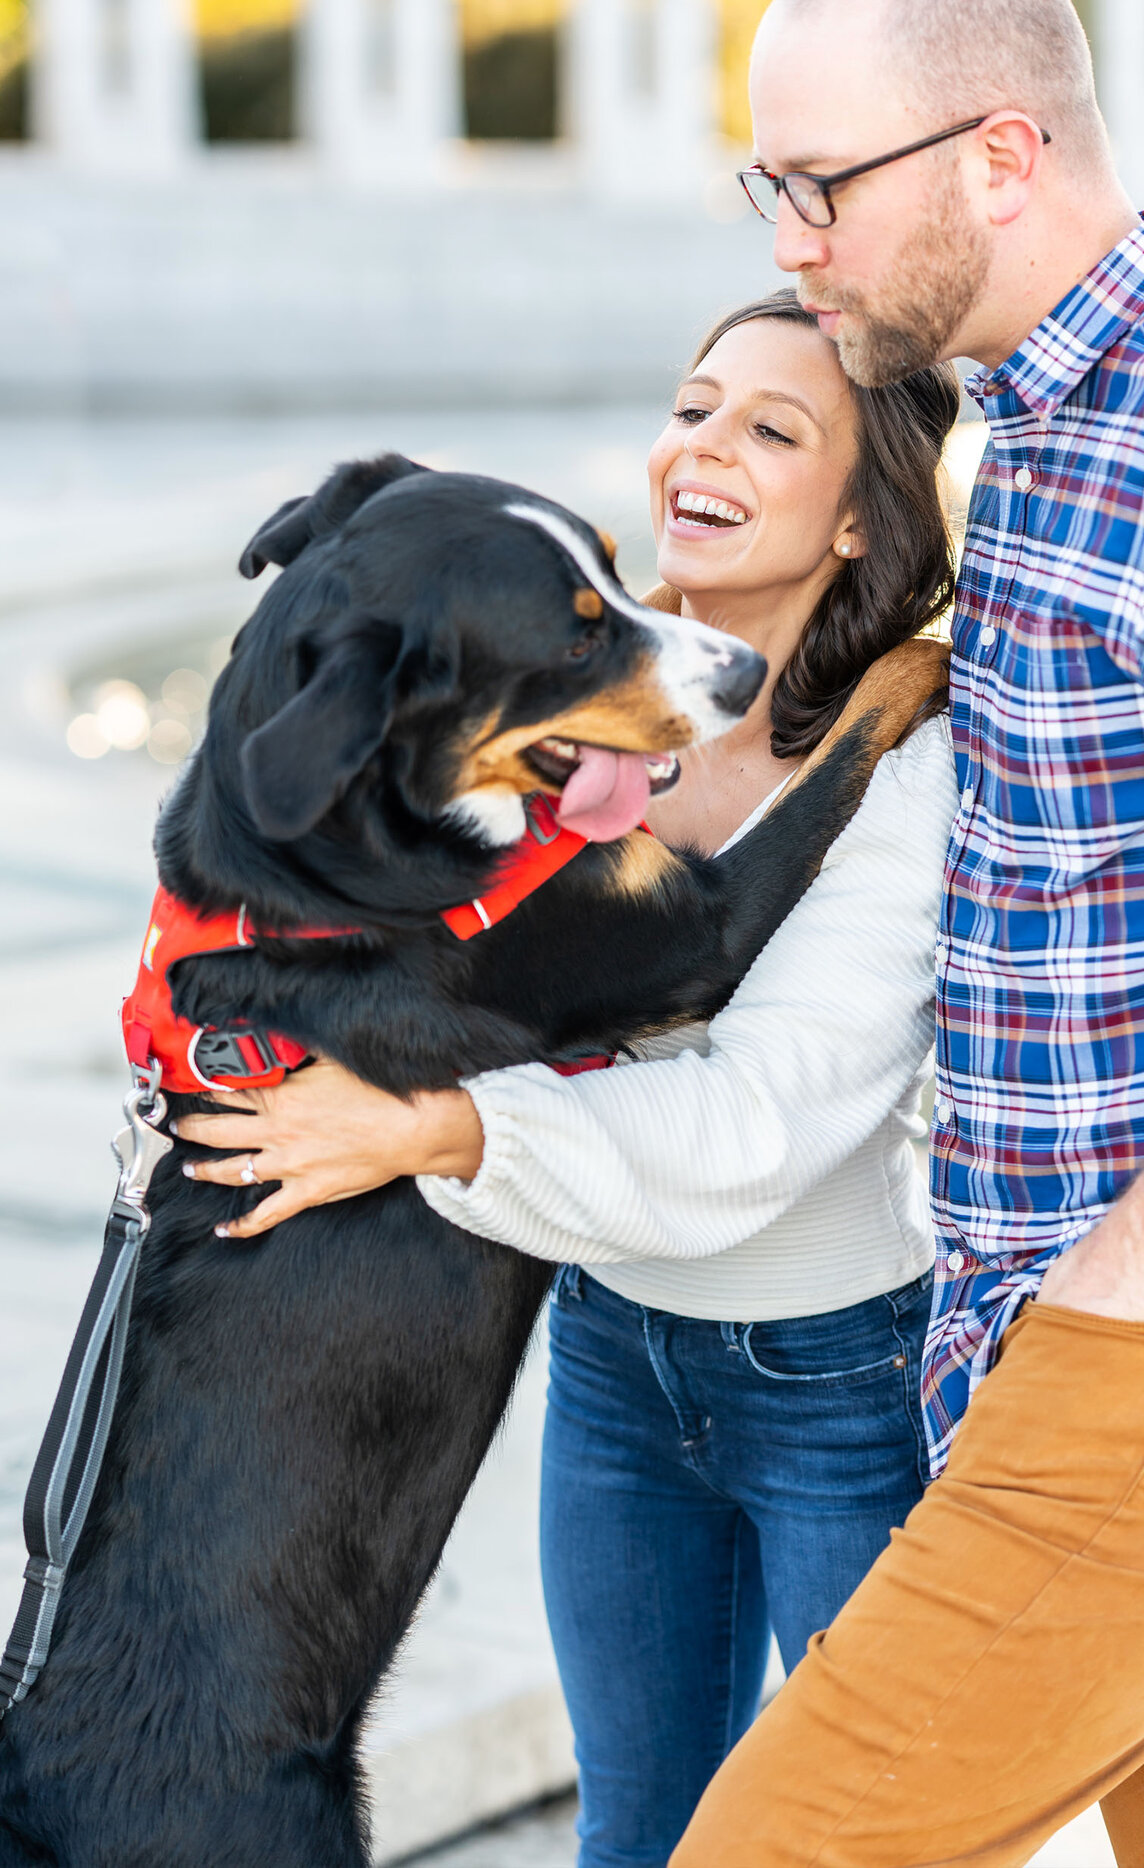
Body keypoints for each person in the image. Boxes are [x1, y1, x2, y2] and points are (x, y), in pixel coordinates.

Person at [174, 291, 964, 1867]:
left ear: (866, 518)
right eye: (693, 406)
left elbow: (752, 1127)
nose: (703, 448)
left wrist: (431, 1130)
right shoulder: (558, 702)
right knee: (636, 1832)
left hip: (831, 1380)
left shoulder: (917, 756)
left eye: (770, 428)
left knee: (857, 1845)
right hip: (608, 1353)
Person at [671, 0, 1144, 1861]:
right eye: (775, 186)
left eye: (819, 184)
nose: (796, 238)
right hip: (1058, 1342)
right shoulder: (1041, 421)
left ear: (1001, 158)